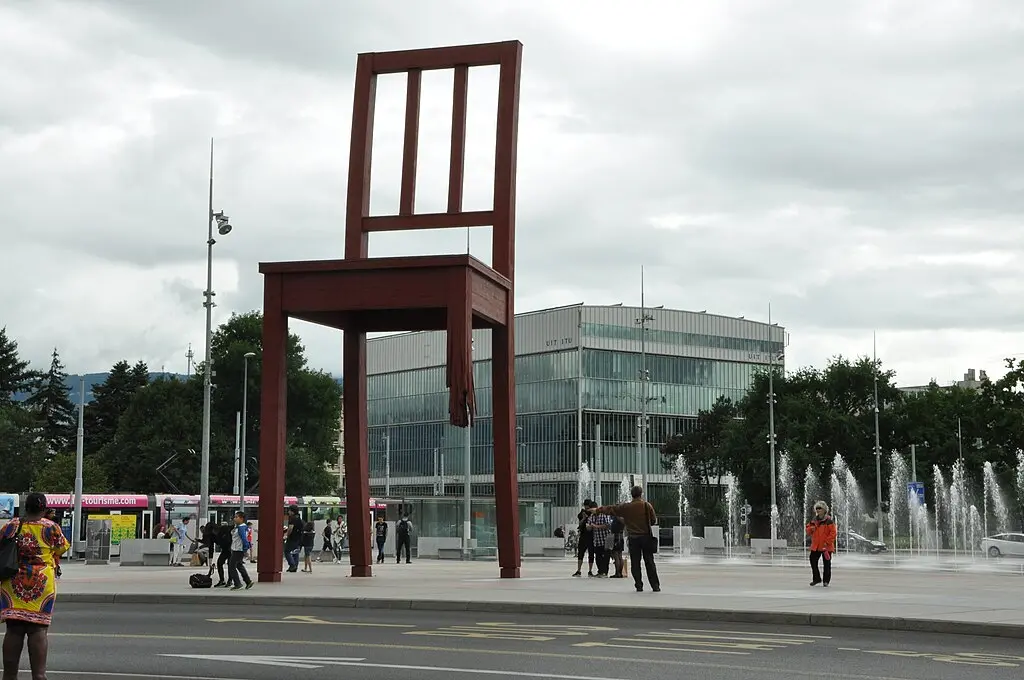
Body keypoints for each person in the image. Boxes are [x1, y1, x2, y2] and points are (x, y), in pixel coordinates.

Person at [1, 491, 69, 680]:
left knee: (14, 629)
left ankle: (9, 676)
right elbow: (62, 547)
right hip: (41, 584)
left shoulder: (12, 525)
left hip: (13, 581)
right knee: (38, 629)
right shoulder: (51, 527)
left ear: (26, 507)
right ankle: (39, 676)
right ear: (44, 509)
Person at [591, 486, 660, 592]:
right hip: (646, 537)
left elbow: (611, 509)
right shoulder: (647, 505)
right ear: (641, 493)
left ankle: (639, 585)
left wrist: (597, 510)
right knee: (649, 562)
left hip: (633, 538)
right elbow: (653, 520)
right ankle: (655, 586)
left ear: (631, 494)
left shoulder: (626, 507)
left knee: (635, 563)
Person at [806, 500, 837, 587]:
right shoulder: (814, 520)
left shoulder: (829, 521)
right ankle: (817, 578)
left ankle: (826, 581)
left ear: (824, 510)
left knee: (826, 564)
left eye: (819, 508)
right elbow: (808, 530)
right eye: (817, 508)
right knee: (812, 560)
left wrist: (827, 542)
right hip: (816, 545)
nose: (818, 510)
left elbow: (833, 533)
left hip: (826, 546)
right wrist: (811, 529)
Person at [228, 512, 254, 591]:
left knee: (231, 566)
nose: (234, 519)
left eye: (236, 517)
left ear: (241, 518)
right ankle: (248, 581)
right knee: (239, 565)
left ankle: (237, 583)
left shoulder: (241, 528)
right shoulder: (240, 527)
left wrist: (245, 549)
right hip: (237, 549)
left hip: (238, 550)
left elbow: (244, 539)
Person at [572, 500, 596, 577]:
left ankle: (590, 570)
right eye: (585, 507)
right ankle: (579, 570)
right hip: (583, 535)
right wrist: (583, 518)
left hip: (591, 536)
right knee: (580, 553)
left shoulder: (593, 513)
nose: (586, 509)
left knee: (591, 553)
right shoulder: (582, 513)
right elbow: (580, 524)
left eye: (588, 507)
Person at [588, 509, 613, 577]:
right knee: (598, 557)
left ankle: (605, 572)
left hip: (608, 538)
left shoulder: (605, 515)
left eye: (592, 510)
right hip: (598, 539)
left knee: (606, 556)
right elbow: (589, 527)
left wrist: (596, 526)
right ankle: (600, 571)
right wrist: (589, 527)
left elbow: (608, 525)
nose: (591, 512)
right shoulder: (591, 517)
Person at [283, 505, 303, 573]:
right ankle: (295, 567)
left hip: (292, 538)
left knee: (287, 551)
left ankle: (292, 565)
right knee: (296, 552)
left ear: (292, 511)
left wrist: (287, 535)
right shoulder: (299, 518)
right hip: (299, 538)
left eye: (289, 510)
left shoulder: (292, 518)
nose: (288, 512)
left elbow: (290, 528)